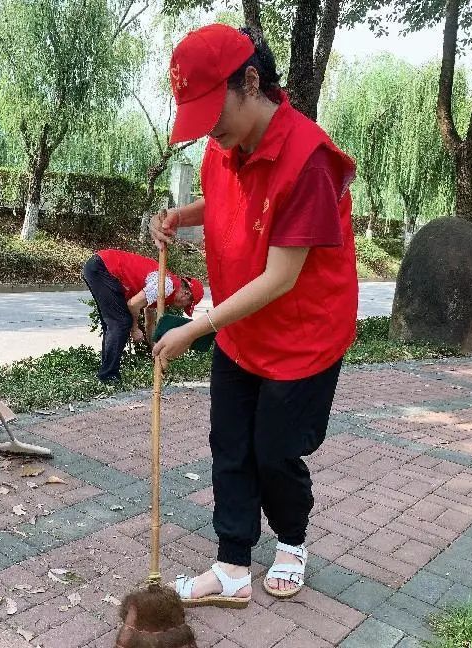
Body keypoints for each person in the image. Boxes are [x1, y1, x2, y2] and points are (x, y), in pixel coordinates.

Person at [149, 24, 358, 606]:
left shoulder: (309, 160)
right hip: (243, 331)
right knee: (230, 445)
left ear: (249, 81)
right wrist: (180, 217)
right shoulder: (225, 146)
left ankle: (291, 541)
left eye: (213, 112)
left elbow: (281, 276)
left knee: (274, 452)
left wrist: (195, 327)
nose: (208, 131)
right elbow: (225, 199)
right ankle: (233, 564)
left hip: (303, 339)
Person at [82, 249, 204, 383]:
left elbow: (149, 324)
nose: (182, 308)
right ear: (186, 294)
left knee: (113, 323)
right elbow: (133, 304)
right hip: (105, 267)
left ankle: (106, 372)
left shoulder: (164, 291)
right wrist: (134, 329)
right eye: (187, 305)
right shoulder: (166, 285)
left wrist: (157, 354)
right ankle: (108, 376)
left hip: (100, 266)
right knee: (121, 322)